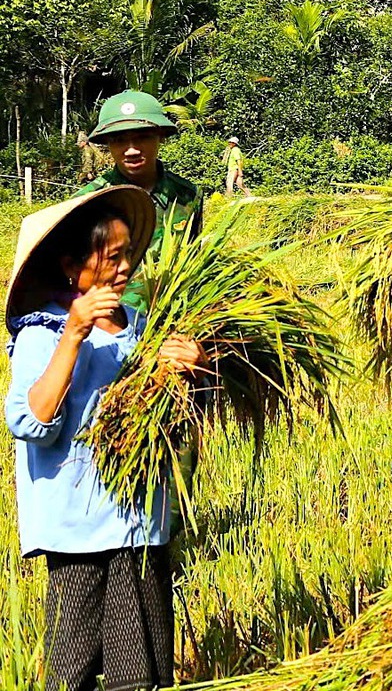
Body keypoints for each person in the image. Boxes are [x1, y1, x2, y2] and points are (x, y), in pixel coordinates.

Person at [7, 185, 205, 691]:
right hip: (77, 531)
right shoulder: (42, 333)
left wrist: (190, 371)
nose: (124, 269)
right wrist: (74, 332)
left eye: (128, 256)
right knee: (69, 672)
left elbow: (170, 421)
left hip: (138, 523)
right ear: (74, 267)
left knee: (142, 674)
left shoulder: (144, 329)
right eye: (112, 257)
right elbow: (29, 421)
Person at [74, 91, 204, 310]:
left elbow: (194, 261)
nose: (132, 149)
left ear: (160, 136)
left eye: (143, 136)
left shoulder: (187, 195)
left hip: (173, 320)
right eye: (119, 140)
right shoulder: (88, 202)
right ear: (107, 143)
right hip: (112, 325)